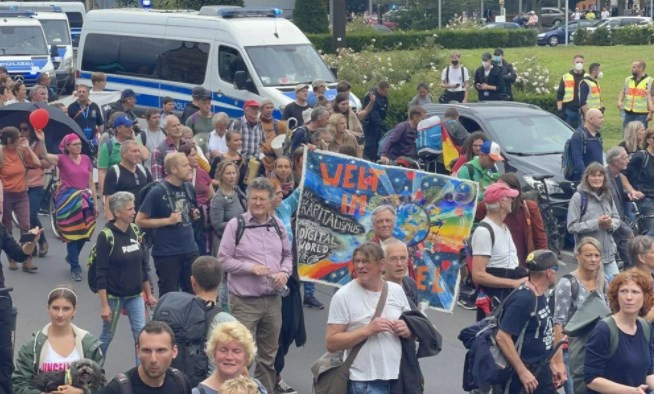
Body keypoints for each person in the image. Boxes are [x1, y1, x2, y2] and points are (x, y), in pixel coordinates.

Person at [217, 177, 293, 393]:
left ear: (271, 201)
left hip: (272, 301)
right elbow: (223, 260)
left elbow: (288, 256)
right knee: (240, 355)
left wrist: (284, 273)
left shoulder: (277, 225)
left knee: (268, 358)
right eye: (253, 198)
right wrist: (250, 268)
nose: (257, 203)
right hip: (244, 302)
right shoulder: (236, 225)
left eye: (262, 199)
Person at [326, 242, 411, 394]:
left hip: (397, 378)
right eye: (357, 261)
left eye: (365, 261)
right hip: (363, 382)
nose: (360, 266)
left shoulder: (396, 290)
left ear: (381, 265)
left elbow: (412, 328)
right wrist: (368, 330)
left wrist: (407, 330)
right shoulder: (343, 296)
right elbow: (331, 343)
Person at [495, 250, 566, 394]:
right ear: (549, 272)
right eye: (556, 270)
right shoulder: (524, 299)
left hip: (541, 371)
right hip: (525, 377)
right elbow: (502, 337)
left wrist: (552, 363)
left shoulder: (538, 294)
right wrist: (522, 372)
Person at [13, 287, 105, 394]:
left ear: (74, 310)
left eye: (66, 309)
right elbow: (19, 384)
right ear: (48, 308)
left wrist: (81, 392)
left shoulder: (89, 344)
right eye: (55, 308)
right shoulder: (32, 346)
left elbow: (100, 385)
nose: (60, 314)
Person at [97, 192, 156, 358]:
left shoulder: (136, 231)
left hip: (136, 295)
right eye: (129, 209)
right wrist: (104, 305)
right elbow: (101, 272)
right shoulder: (106, 236)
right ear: (117, 213)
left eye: (134, 208)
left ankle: (142, 375)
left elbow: (143, 266)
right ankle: (90, 372)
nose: (134, 212)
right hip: (114, 297)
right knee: (107, 336)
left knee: (141, 337)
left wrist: (149, 294)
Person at [137, 152, 199, 296]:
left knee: (193, 293)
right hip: (167, 254)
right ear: (173, 170)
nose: (189, 168)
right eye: (185, 165)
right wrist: (167, 221)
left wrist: (193, 213)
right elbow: (139, 220)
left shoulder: (189, 188)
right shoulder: (157, 192)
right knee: (170, 295)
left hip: (190, 250)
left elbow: (189, 210)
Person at [584, 270, 654, 393]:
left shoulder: (645, 328)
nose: (629, 297)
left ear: (645, 297)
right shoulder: (603, 330)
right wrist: (632, 391)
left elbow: (648, 372)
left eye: (635, 292)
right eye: (623, 291)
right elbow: (591, 379)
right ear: (616, 296)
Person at [554, 237, 607, 394]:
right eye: (588, 255)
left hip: (597, 351)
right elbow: (558, 324)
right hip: (573, 352)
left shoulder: (603, 282)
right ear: (577, 256)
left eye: (597, 255)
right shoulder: (567, 283)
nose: (593, 259)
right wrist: (558, 362)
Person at [43, 133, 99, 280]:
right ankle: (75, 266)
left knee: (85, 232)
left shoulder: (86, 159)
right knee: (73, 233)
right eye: (75, 144)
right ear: (67, 147)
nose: (78, 146)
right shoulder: (61, 159)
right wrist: (42, 140)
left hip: (85, 199)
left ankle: (71, 257)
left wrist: (96, 203)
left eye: (79, 143)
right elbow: (45, 156)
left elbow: (91, 182)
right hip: (67, 199)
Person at [470, 182, 527, 320]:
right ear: (501, 202)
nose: (513, 200)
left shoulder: (504, 227)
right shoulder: (484, 231)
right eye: (510, 197)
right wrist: (513, 283)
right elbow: (478, 275)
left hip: (508, 295)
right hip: (494, 298)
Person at [270, 180, 305, 394]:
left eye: (280, 191)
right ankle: (273, 375)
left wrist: (313, 155)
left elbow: (300, 192)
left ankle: (274, 372)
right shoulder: (261, 219)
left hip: (290, 276)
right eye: (276, 193)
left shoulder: (283, 208)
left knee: (291, 327)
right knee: (276, 331)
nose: (281, 195)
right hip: (272, 282)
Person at [0, 223, 41, 392]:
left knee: (4, 356)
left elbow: (18, 254)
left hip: (1, 297)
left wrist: (31, 242)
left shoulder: (0, 229)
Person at [477, 173, 548, 266]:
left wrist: (544, 264)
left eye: (504, 190)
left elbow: (540, 239)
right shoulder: (488, 207)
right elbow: (468, 214)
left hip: (523, 265)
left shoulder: (529, 207)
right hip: (499, 267)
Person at [101, 321, 192, 394]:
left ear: (174, 352)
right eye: (146, 350)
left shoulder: (181, 383)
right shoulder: (116, 390)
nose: (153, 359)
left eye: (161, 350)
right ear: (138, 351)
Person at [567, 163, 621, 280]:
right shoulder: (578, 197)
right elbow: (571, 227)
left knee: (616, 287)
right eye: (593, 175)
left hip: (608, 255)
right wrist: (596, 223)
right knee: (593, 291)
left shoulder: (608, 195)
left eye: (600, 175)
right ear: (587, 178)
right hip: (589, 256)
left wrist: (610, 224)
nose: (597, 178)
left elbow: (617, 218)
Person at [0, 126, 41, 272]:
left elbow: (37, 164)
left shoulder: (21, 150)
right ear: (11, 139)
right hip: (5, 194)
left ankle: (26, 259)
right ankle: (12, 257)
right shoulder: (1, 153)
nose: (22, 138)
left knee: (26, 224)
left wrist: (28, 149)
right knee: (7, 226)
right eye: (19, 136)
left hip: (21, 194)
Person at [210, 161, 246, 308]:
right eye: (228, 173)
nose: (232, 176)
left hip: (239, 240)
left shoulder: (236, 190)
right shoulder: (218, 199)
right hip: (224, 242)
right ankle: (225, 308)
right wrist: (238, 222)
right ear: (221, 176)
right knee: (226, 278)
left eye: (234, 173)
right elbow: (217, 225)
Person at [193, 321, 266, 394]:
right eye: (223, 350)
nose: (229, 357)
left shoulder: (258, 389)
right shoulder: (198, 392)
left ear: (246, 357)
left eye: (236, 351)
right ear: (214, 354)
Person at [19, 122, 50, 258]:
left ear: (31, 131)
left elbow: (45, 163)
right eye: (20, 129)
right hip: (21, 183)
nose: (22, 132)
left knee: (32, 214)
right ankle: (31, 244)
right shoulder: (17, 145)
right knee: (25, 218)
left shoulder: (38, 145)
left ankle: (42, 241)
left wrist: (31, 159)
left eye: (25, 129)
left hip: (36, 181)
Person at [97, 115, 150, 195]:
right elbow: (102, 171)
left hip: (136, 183)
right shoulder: (108, 146)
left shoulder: (134, 141)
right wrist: (104, 194)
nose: (130, 129)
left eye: (131, 126)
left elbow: (145, 156)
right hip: (117, 183)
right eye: (127, 126)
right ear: (118, 128)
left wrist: (134, 138)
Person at [103, 140, 152, 221]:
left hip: (143, 220)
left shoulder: (143, 169)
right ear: (123, 154)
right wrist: (112, 224)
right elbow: (108, 202)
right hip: (124, 222)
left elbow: (151, 193)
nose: (137, 154)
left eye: (138, 151)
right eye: (134, 151)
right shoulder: (114, 172)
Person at [606, 147, 639, 267]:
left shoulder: (617, 176)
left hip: (619, 224)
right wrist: (627, 230)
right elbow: (610, 209)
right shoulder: (606, 180)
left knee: (629, 259)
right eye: (624, 158)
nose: (628, 161)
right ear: (615, 161)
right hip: (613, 226)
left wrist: (628, 196)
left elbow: (619, 196)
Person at [180, 144, 213, 255]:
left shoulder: (202, 173)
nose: (196, 158)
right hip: (185, 216)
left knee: (202, 247)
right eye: (193, 155)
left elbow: (211, 194)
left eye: (196, 155)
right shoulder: (179, 176)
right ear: (184, 158)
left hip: (203, 216)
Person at [626, 126, 654, 233]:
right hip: (647, 200)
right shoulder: (641, 157)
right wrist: (632, 191)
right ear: (647, 140)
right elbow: (623, 175)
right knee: (651, 234)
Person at [569, 108, 605, 182]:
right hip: (585, 181)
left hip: (597, 179)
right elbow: (577, 160)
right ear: (591, 119)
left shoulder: (598, 135)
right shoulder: (579, 135)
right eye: (600, 118)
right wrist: (586, 178)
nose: (602, 120)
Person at [617, 60, 654, 128]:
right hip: (628, 112)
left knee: (640, 134)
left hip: (642, 114)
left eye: (634, 67)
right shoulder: (628, 79)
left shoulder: (650, 81)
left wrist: (651, 113)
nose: (632, 69)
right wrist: (619, 101)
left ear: (640, 68)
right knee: (627, 134)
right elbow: (623, 91)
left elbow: (652, 98)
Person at [151, 115, 185, 182]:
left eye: (178, 125)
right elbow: (157, 180)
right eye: (174, 126)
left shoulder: (188, 145)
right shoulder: (159, 150)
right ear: (166, 130)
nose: (178, 128)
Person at [361, 81, 389, 161]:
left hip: (378, 125)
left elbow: (384, 110)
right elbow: (373, 115)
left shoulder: (384, 97)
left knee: (377, 145)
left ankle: (376, 160)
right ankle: (368, 161)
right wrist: (385, 127)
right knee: (370, 146)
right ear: (380, 89)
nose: (387, 93)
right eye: (386, 91)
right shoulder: (371, 96)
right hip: (370, 125)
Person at [557, 55, 587, 129]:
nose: (579, 64)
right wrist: (560, 109)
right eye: (577, 62)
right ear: (573, 63)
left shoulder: (587, 77)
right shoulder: (566, 77)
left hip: (583, 111)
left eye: (581, 62)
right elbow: (560, 94)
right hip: (569, 109)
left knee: (583, 133)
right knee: (567, 131)